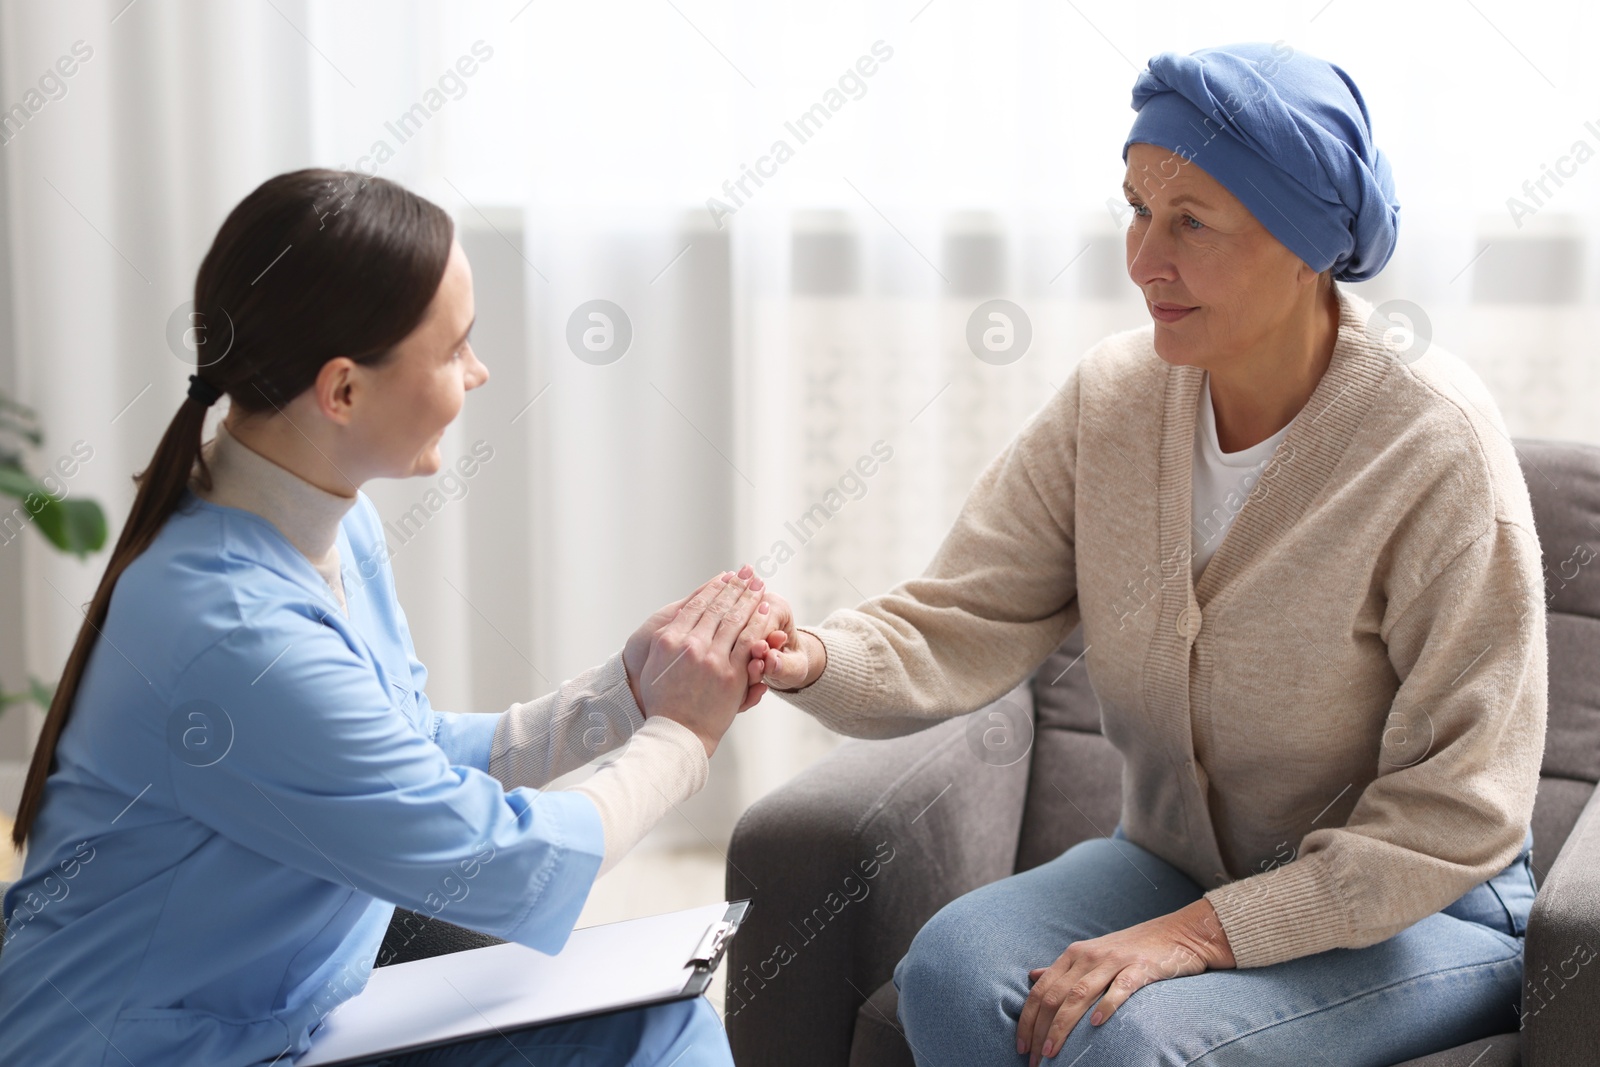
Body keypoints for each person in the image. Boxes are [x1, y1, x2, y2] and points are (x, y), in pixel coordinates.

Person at [754, 42, 1546, 1065]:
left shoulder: (1431, 444)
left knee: (1130, 1039)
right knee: (949, 967)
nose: (1141, 261)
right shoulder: (1111, 400)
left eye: (1190, 224)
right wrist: (803, 654)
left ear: (1304, 240)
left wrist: (1198, 936)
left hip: (1418, 910)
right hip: (1171, 861)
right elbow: (964, 615)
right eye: (1136, 208)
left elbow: (1461, 804)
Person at [0, 169, 771, 1067]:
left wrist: (625, 696)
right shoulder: (235, 633)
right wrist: (683, 737)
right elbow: (503, 864)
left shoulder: (330, 519)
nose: (479, 372)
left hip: (295, 1013)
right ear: (343, 392)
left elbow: (400, 750)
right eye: (455, 350)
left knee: (667, 1026)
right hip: (152, 1050)